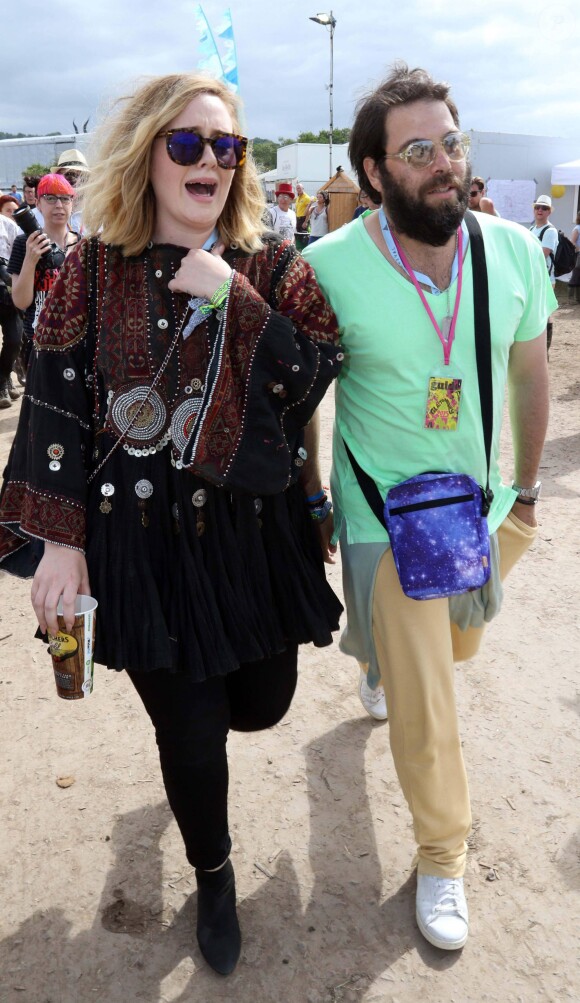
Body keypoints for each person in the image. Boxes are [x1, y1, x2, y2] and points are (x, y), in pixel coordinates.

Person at [0, 72, 342, 976]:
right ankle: (213, 872)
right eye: (187, 143)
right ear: (148, 154)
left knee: (262, 706)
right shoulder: (89, 272)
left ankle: (200, 744)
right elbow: (56, 404)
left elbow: (312, 374)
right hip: (139, 549)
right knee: (189, 731)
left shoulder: (270, 262)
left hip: (251, 540)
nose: (211, 162)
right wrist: (61, 541)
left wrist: (234, 295)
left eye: (226, 147)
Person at [304, 62, 555, 953]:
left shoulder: (515, 252)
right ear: (375, 172)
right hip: (379, 510)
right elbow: (303, 394)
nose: (445, 161)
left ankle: (378, 663)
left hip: (477, 514)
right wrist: (314, 494)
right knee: (430, 700)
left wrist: (524, 494)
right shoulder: (327, 267)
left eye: (453, 141)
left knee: (457, 645)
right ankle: (444, 850)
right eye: (419, 149)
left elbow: (530, 371)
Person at [8, 173, 79, 374]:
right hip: (39, 342)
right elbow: (21, 302)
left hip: (78, 342)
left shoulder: (83, 244)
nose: (59, 205)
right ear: (38, 203)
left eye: (65, 198)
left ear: (72, 203)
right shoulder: (24, 243)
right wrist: (31, 260)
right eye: (51, 198)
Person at [529, 194, 558, 352]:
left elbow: (543, 253)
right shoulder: (532, 228)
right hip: (534, 277)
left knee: (545, 313)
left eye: (544, 208)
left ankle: (544, 351)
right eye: (537, 207)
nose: (540, 210)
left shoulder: (550, 231)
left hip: (545, 278)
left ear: (549, 212)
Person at [0, 212, 23, 407]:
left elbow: (21, 256)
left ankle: (4, 375)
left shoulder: (8, 225)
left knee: (15, 340)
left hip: (7, 292)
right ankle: (2, 384)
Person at [54, 148, 90, 233]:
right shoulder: (45, 213)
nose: (75, 179)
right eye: (69, 174)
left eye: (81, 175)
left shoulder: (98, 213)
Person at [568, 211, 580, 304]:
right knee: (576, 275)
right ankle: (571, 298)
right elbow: (572, 242)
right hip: (578, 255)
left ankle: (578, 299)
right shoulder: (577, 228)